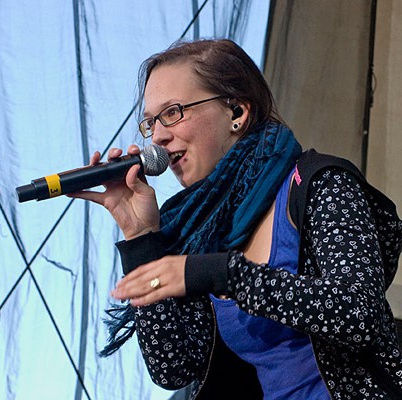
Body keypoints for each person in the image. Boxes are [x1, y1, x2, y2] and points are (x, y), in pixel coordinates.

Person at [68, 39, 402, 399]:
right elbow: (174, 365)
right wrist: (141, 235)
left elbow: (359, 312)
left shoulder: (319, 183)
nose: (159, 136)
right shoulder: (207, 229)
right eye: (151, 122)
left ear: (237, 113)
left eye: (173, 112)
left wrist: (224, 273)